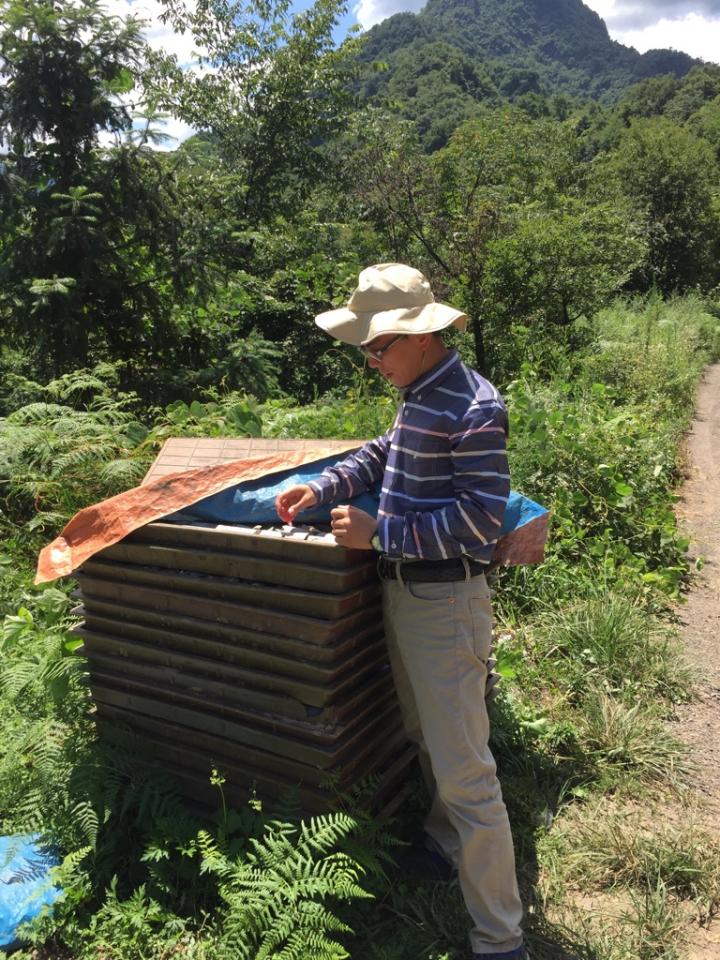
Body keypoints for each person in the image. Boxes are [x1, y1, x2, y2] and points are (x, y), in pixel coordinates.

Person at [275, 263, 525, 960]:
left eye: (378, 346)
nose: (371, 360)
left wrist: (380, 533)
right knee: (428, 736)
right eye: (365, 349)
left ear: (422, 335)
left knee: (468, 775)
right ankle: (445, 849)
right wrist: (321, 487)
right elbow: (386, 455)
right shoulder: (420, 393)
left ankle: (500, 939)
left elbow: (481, 524)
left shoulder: (472, 407)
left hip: (446, 601)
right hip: (411, 597)